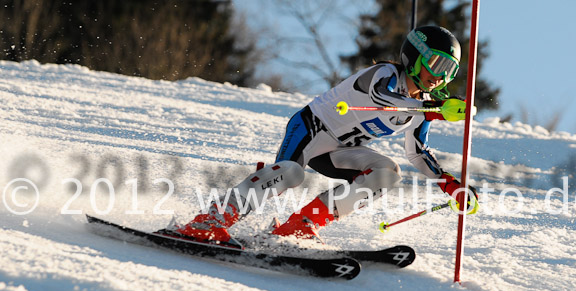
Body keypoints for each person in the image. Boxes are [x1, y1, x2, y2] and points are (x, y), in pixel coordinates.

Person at [165, 25, 479, 245]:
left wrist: (448, 183)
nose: (440, 77)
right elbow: (383, 97)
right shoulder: (385, 74)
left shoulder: (423, 106)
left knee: (388, 174)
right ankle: (210, 222)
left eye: (450, 71)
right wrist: (434, 108)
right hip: (311, 129)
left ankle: (301, 226)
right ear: (415, 55)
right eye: (437, 64)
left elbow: (417, 152)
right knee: (289, 175)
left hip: (338, 151)